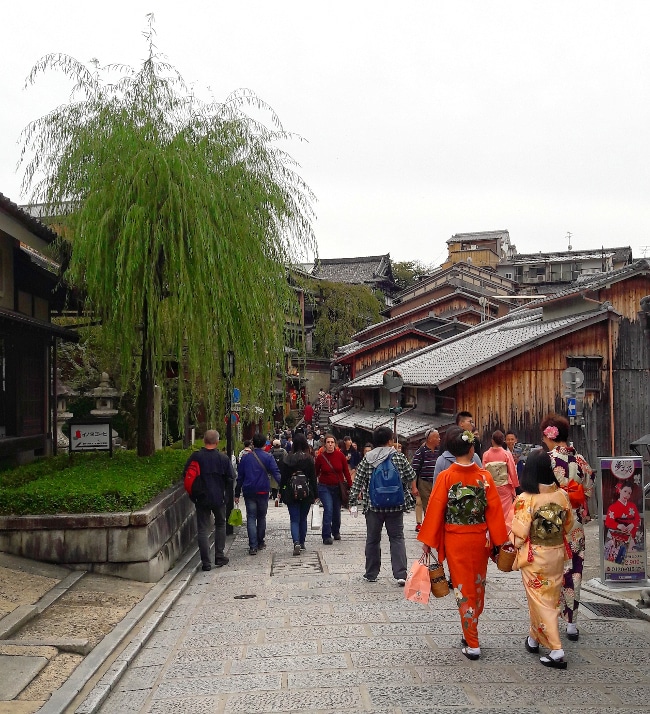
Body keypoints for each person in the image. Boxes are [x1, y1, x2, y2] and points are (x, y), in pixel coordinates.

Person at [418, 426, 507, 660]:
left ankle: (473, 641)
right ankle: (471, 628)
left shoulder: (447, 477)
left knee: (462, 588)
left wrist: (428, 541)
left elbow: (435, 509)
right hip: (478, 538)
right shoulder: (484, 477)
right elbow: (495, 512)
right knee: (477, 586)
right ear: (471, 448)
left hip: (455, 538)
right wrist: (500, 541)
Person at [510, 449, 575, 669]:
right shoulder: (561, 495)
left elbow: (519, 534)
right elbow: (568, 524)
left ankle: (556, 650)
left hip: (535, 556)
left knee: (541, 600)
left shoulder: (526, 499)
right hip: (556, 552)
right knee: (549, 597)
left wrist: (512, 545)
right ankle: (533, 638)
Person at [541, 414, 594, 641]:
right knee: (574, 569)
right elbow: (588, 490)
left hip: (551, 521)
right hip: (574, 524)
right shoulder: (581, 460)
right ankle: (571, 623)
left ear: (550, 435)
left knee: (548, 569)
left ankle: (547, 618)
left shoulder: (547, 460)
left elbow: (538, 493)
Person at [347, 426, 417, 585]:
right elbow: (411, 475)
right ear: (390, 441)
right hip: (396, 505)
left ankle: (371, 573)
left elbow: (357, 482)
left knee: (373, 539)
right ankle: (400, 574)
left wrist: (352, 502)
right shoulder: (398, 457)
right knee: (397, 538)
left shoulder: (368, 458)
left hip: (373, 506)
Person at [183, 429, 235, 571]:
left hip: (201, 498)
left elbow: (186, 475)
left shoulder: (196, 457)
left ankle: (206, 562)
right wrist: (225, 493)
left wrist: (194, 494)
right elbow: (231, 478)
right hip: (219, 497)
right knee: (220, 524)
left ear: (204, 441)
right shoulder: (223, 459)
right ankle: (219, 555)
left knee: (203, 529)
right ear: (217, 442)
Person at [235, 432, 280, 555]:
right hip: (263, 490)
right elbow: (276, 473)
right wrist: (283, 486)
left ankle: (252, 546)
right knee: (261, 517)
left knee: (251, 517)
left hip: (249, 490)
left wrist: (237, 493)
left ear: (253, 444)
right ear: (265, 445)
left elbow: (240, 477)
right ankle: (260, 542)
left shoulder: (245, 458)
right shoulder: (268, 457)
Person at [279, 433, 318, 556]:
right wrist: (316, 494)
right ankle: (302, 542)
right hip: (307, 492)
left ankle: (295, 541)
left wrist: (282, 491)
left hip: (291, 492)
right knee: (303, 518)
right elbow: (313, 478)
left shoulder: (287, 459)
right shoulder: (309, 459)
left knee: (294, 519)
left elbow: (284, 479)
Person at [315, 434, 352, 544]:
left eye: (332, 442)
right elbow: (315, 472)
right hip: (324, 486)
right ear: (325, 444)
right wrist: (313, 488)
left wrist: (350, 486)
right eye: (328, 442)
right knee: (328, 509)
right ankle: (326, 535)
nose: (330, 444)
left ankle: (335, 531)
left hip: (338, 487)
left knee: (336, 511)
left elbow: (346, 471)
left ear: (335, 444)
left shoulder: (340, 456)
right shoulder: (321, 457)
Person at [481, 430, 519, 528]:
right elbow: (512, 470)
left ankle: (494, 534)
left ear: (492, 441)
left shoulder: (486, 454)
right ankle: (505, 535)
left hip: (491, 486)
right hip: (504, 487)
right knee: (505, 513)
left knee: (493, 511)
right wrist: (515, 484)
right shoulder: (506, 454)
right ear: (503, 441)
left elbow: (484, 472)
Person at [411, 428, 441, 531]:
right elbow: (414, 470)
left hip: (437, 482)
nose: (439, 439)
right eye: (437, 437)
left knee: (436, 505)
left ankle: (433, 526)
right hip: (424, 482)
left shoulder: (439, 451)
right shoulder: (421, 452)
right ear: (430, 439)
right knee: (427, 505)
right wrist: (414, 487)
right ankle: (429, 527)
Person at [604, 481, 641, 563]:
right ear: (620, 490)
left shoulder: (632, 506)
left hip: (630, 536)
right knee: (616, 560)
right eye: (625, 491)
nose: (626, 495)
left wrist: (632, 524)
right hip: (616, 537)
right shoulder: (613, 507)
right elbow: (608, 522)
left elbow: (637, 519)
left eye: (629, 493)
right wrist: (618, 525)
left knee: (630, 560)